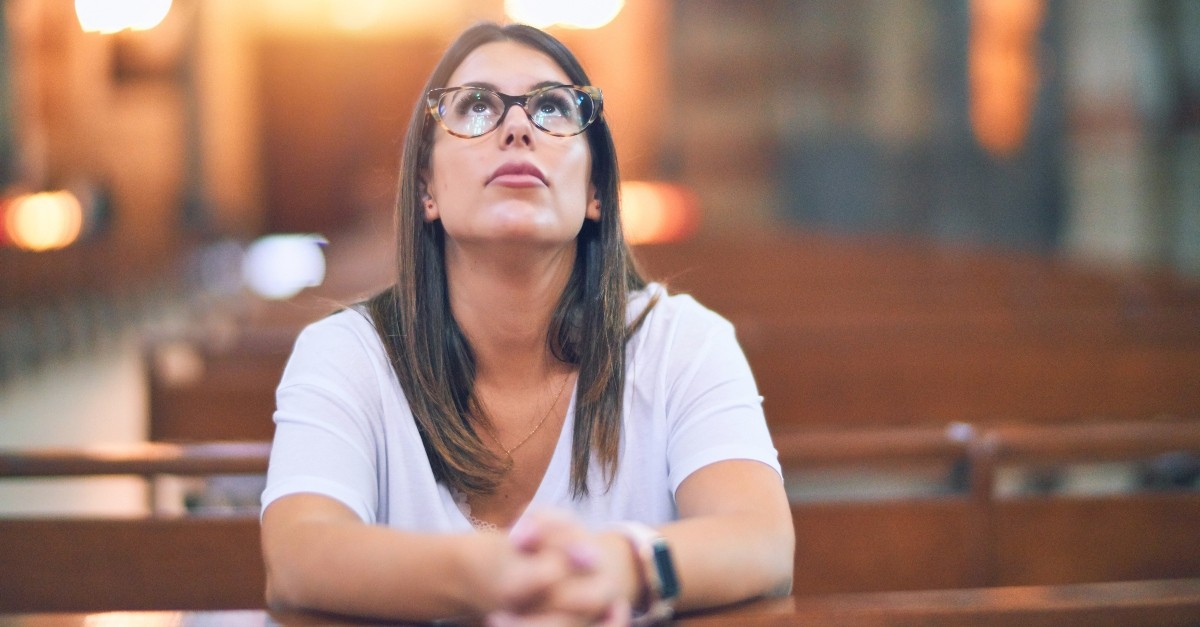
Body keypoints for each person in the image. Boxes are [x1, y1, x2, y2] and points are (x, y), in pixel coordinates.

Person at [260, 21, 793, 626]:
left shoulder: (682, 343)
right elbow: (298, 555)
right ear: (427, 188)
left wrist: (620, 569)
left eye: (552, 108)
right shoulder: (346, 354)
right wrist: (490, 575)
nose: (517, 128)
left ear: (595, 189)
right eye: (478, 106)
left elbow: (761, 539)